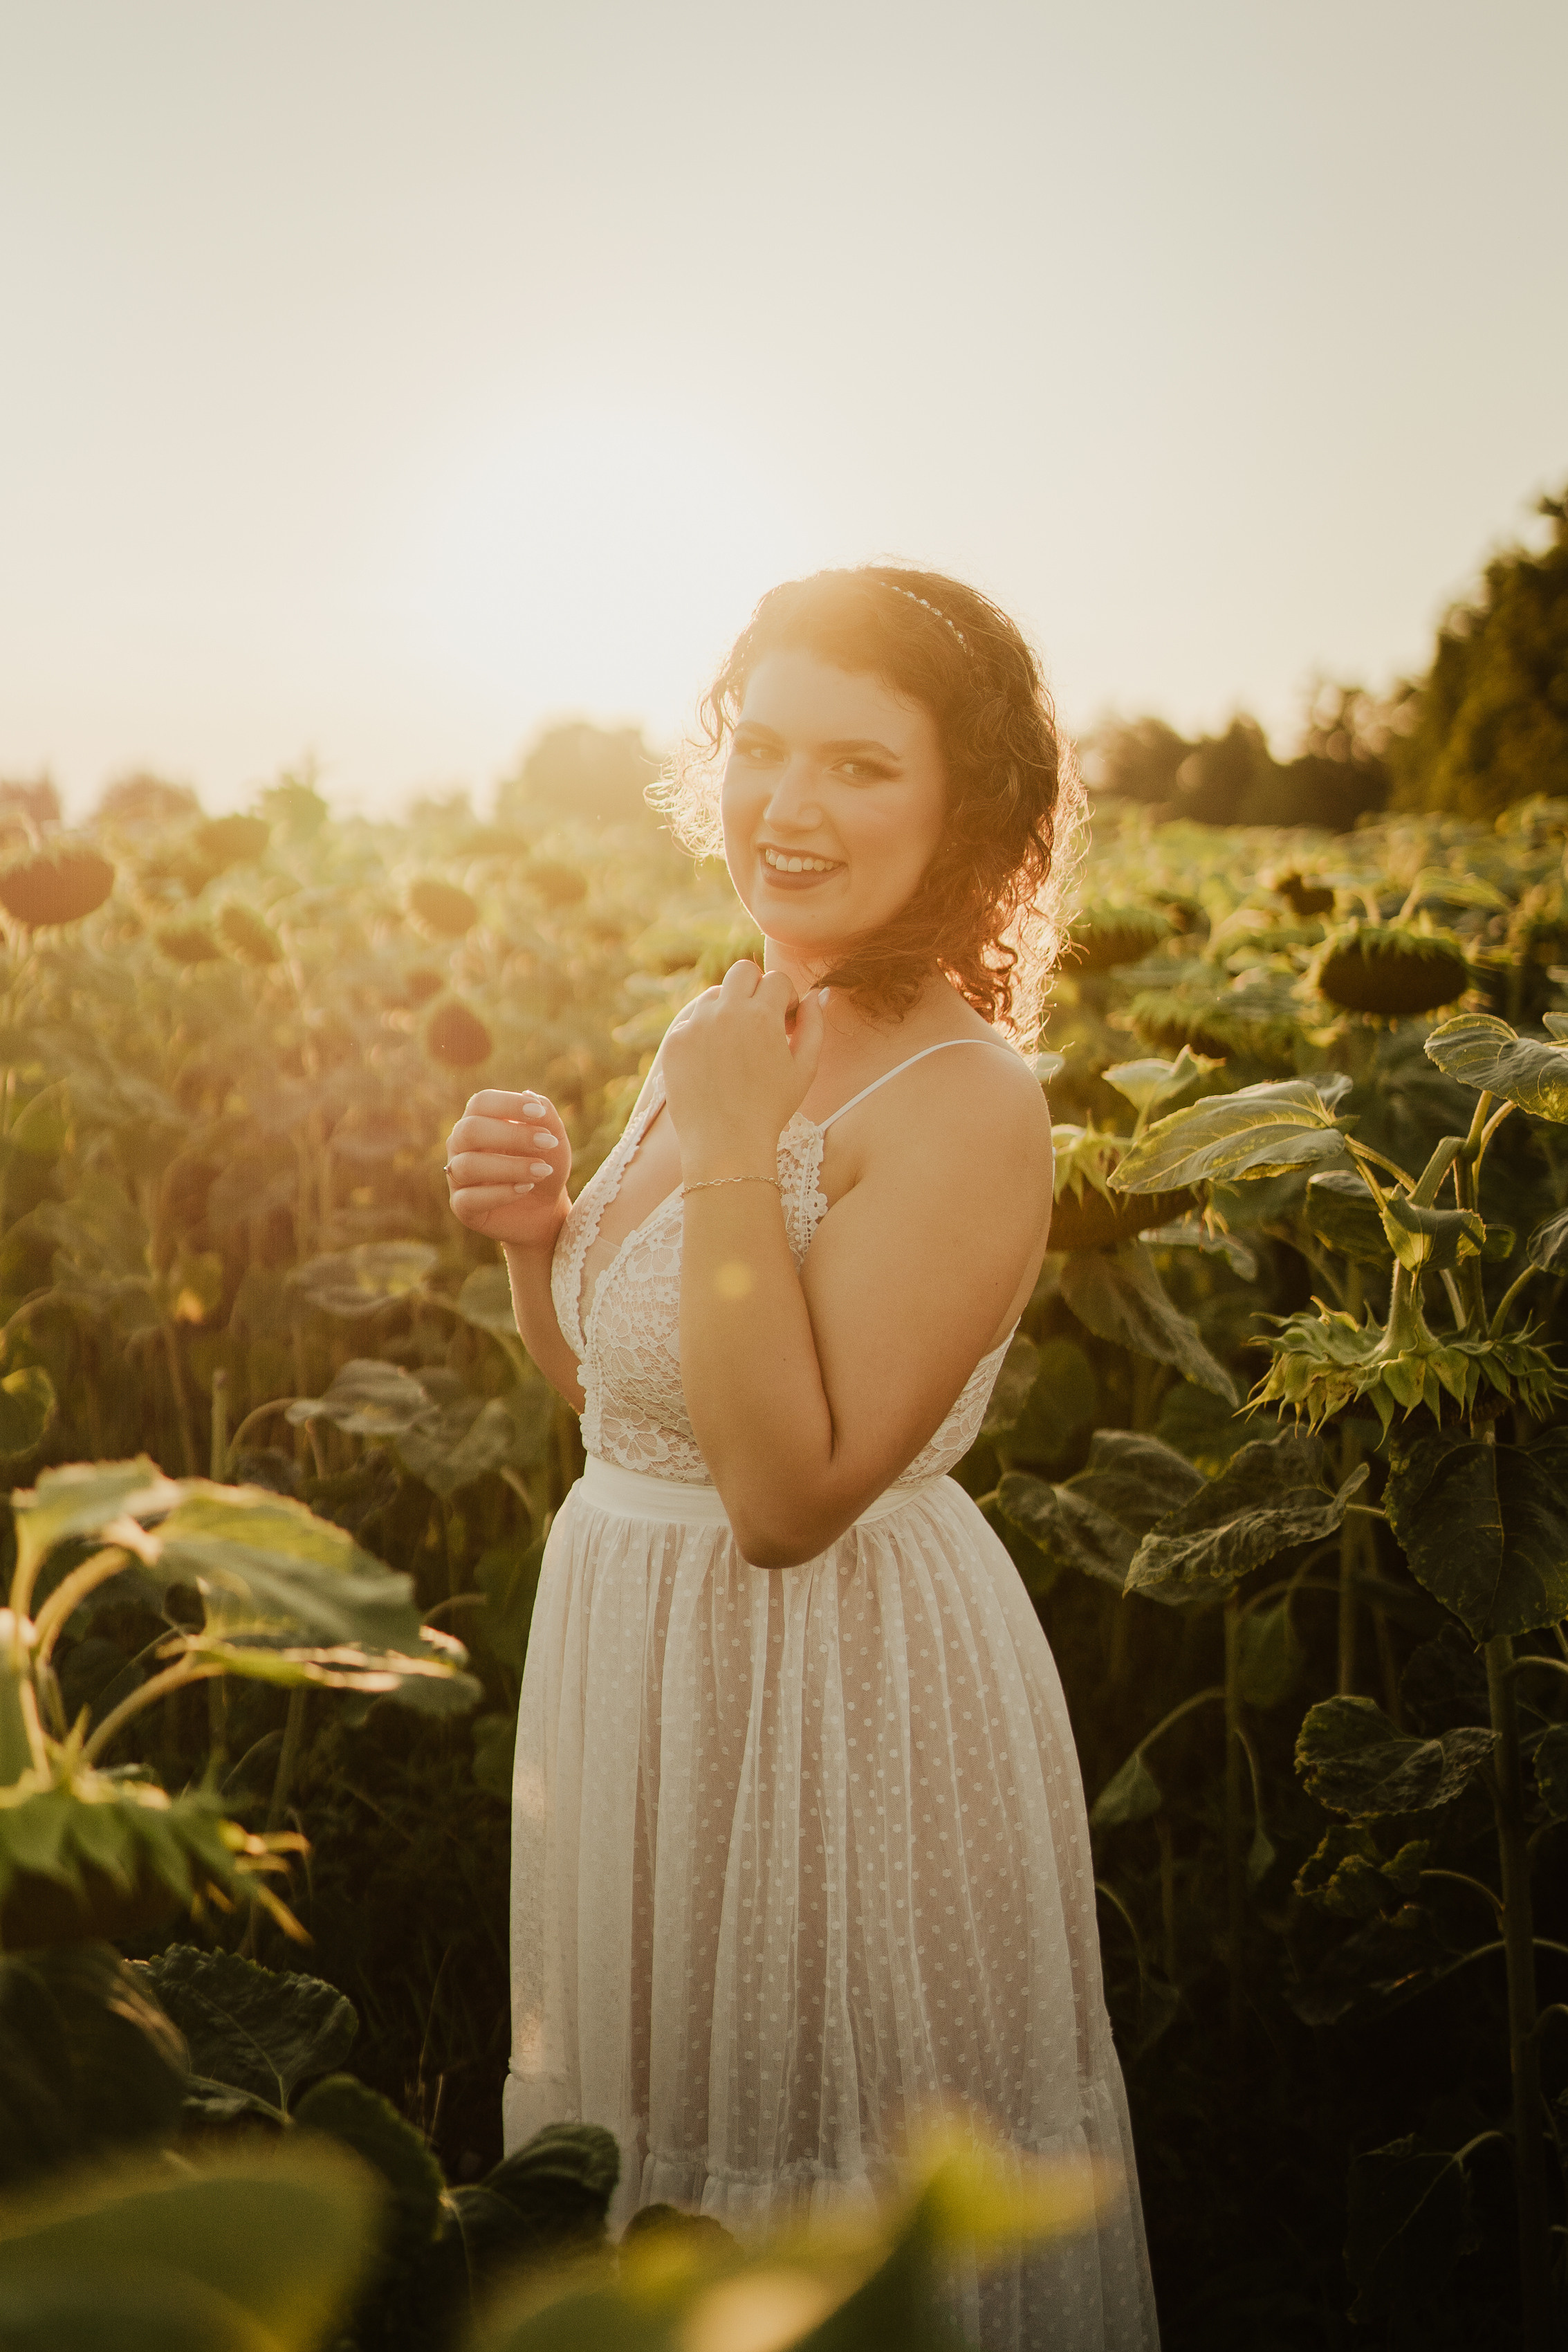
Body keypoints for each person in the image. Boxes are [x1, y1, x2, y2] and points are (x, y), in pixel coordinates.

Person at [444, 567, 1159, 2349]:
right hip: (636, 1674)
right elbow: (635, 1414)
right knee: (656, 2174)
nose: (789, 805)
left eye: (857, 765)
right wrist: (539, 1246)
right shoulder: (730, 1022)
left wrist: (737, 1147)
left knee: (825, 2190)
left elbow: (782, 1500)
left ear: (970, 809)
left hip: (831, 1697)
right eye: (762, 749)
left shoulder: (968, 1102)